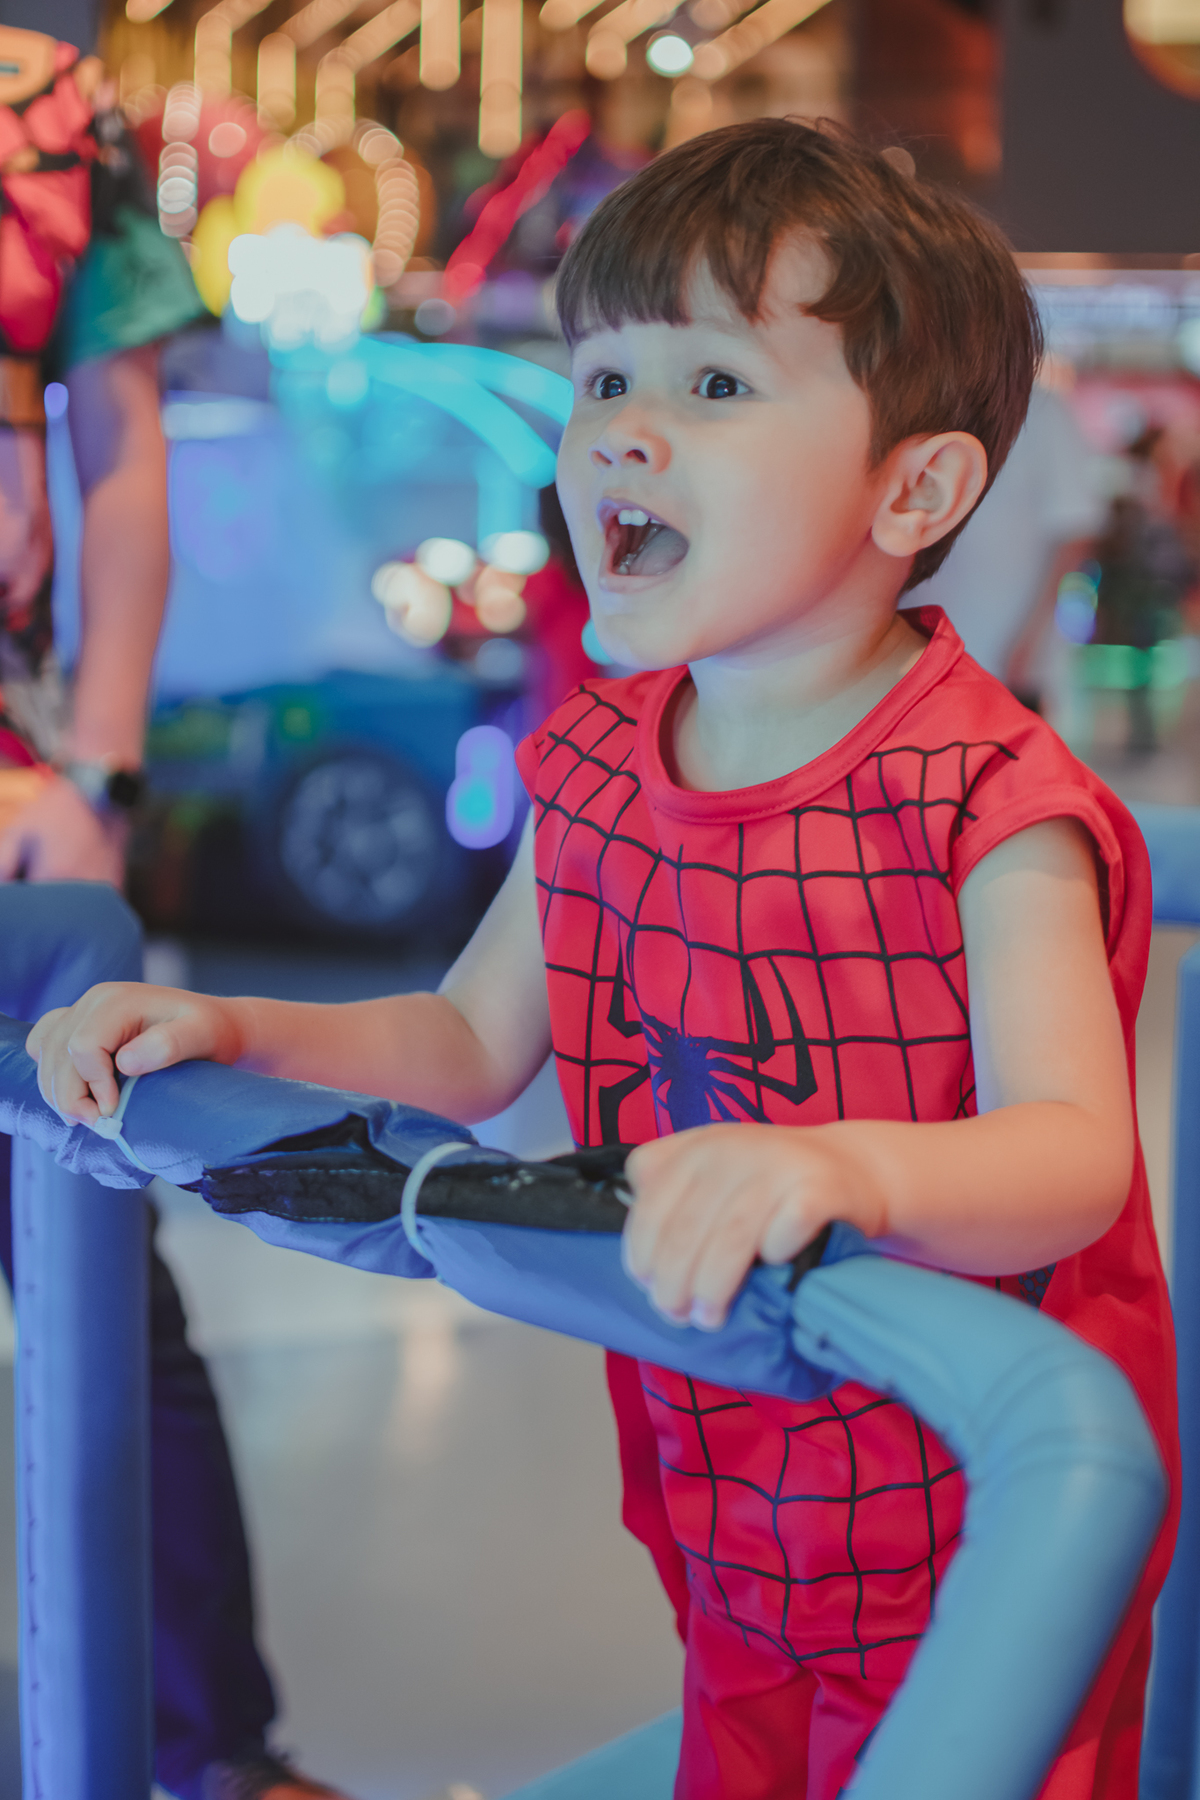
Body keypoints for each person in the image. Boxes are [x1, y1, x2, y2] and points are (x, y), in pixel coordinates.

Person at [27, 121, 1177, 1799]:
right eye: (603, 381)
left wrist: (834, 1166)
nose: (625, 433)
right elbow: (470, 1043)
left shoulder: (992, 802)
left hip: (972, 1519)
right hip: (723, 1453)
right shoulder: (594, 760)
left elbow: (1072, 1153)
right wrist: (227, 1023)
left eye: (711, 387)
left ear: (915, 487)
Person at [0, 20, 353, 1800]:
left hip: (16, 807)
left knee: (102, 1291)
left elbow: (116, 457)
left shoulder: (44, 114)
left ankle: (215, 1752)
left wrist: (101, 778)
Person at [920, 382, 1105, 713]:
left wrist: (1031, 642)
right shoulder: (920, 396)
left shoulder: (1041, 410)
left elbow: (1074, 534)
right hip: (914, 659)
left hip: (1004, 661)